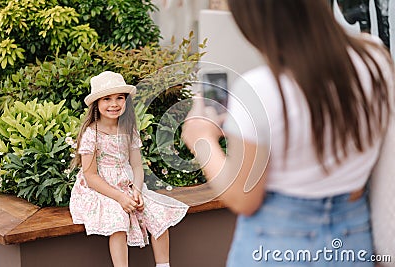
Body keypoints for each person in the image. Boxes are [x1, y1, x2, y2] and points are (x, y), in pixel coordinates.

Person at [182, 0, 395, 266]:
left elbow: (242, 198)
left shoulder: (261, 89)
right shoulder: (375, 59)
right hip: (352, 240)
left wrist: (200, 137)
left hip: (277, 246)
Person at [69, 71, 188, 267]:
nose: (114, 104)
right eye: (107, 99)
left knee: (156, 213)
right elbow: (90, 176)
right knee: (118, 218)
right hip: (101, 188)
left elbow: (136, 166)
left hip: (128, 183)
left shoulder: (129, 129)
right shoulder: (91, 134)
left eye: (119, 98)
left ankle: (163, 265)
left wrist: (137, 191)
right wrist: (120, 198)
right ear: (96, 104)